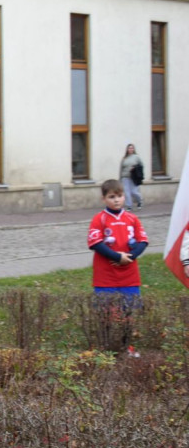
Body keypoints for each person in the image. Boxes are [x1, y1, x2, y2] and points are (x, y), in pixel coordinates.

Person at [87, 179, 148, 354]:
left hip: (129, 275)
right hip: (105, 275)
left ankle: (126, 346)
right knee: (105, 313)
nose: (116, 200)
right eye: (112, 197)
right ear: (104, 199)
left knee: (128, 312)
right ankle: (105, 347)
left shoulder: (132, 218)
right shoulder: (99, 219)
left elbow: (143, 241)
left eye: (119, 196)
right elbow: (95, 243)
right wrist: (115, 256)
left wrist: (128, 257)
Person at [119, 143, 145, 210]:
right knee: (127, 192)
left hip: (133, 177)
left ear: (133, 149)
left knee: (134, 191)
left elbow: (141, 166)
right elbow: (121, 169)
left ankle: (140, 201)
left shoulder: (136, 157)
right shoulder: (124, 158)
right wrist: (120, 178)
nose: (130, 149)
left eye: (132, 148)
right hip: (125, 176)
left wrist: (135, 168)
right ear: (127, 149)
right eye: (129, 148)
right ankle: (129, 206)